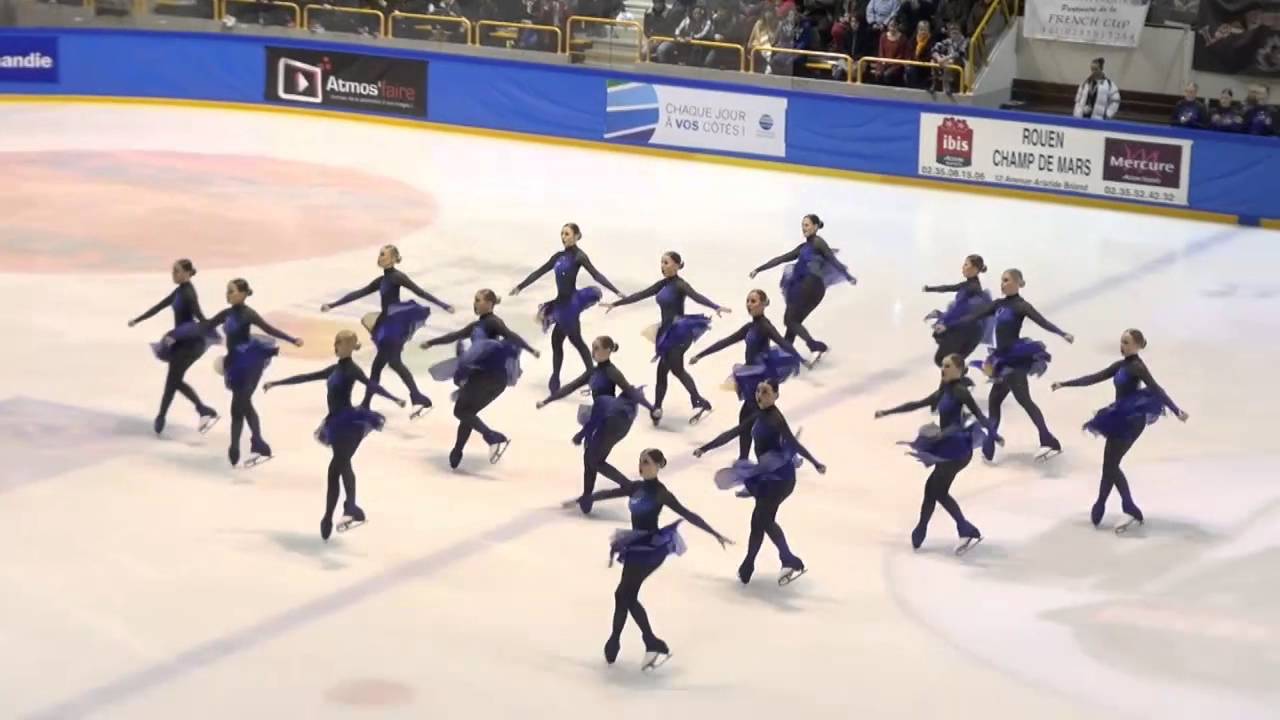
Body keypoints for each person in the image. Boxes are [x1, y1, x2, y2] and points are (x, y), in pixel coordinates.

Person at [568, 448, 732, 670]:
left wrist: (714, 532)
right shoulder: (635, 487)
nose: (642, 465)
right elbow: (609, 493)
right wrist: (585, 498)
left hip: (651, 548)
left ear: (657, 466)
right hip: (636, 545)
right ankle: (640, 641)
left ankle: (643, 641)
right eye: (640, 461)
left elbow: (687, 513)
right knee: (624, 594)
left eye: (646, 462)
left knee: (624, 594)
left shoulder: (660, 493)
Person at [264, 330, 406, 541]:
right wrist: (277, 383)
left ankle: (341, 512)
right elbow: (306, 377)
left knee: (339, 466)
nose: (335, 345)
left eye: (339, 342)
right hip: (335, 423)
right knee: (339, 468)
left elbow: (372, 385)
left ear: (349, 346)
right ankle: (344, 512)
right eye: (335, 341)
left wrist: (394, 398)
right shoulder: (335, 369)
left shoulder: (352, 370)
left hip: (349, 424)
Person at [1052, 329, 1189, 533]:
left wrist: (1176, 410)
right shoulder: (1121, 365)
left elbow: (1157, 389)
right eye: (1121, 342)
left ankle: (1128, 507)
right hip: (1119, 416)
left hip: (1132, 419)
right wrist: (1065, 384)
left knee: (1111, 465)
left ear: (1137, 345)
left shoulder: (1137, 367)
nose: (1122, 346)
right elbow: (1094, 377)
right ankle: (1103, 504)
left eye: (1126, 342)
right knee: (1109, 464)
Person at [694, 379, 825, 585]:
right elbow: (733, 433)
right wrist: (706, 447)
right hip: (768, 476)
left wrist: (815, 462)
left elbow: (793, 443)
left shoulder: (775, 419)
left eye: (765, 392)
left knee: (763, 520)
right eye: (758, 391)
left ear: (776, 395)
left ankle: (788, 559)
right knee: (758, 522)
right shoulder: (760, 414)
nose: (759, 396)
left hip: (780, 478)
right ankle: (750, 565)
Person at [938, 269, 1073, 462]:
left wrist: (1062, 333)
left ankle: (1047, 440)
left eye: (1007, 280)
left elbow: (1042, 321)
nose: (1003, 284)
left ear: (1018, 283)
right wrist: (949, 325)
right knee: (996, 401)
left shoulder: (1021, 306)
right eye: (1002, 280)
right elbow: (974, 316)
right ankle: (990, 445)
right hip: (1002, 360)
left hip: (1015, 360)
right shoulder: (999, 305)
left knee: (1023, 401)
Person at [874, 354, 1000, 553]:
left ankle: (963, 529)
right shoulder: (944, 391)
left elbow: (977, 416)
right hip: (946, 447)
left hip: (957, 449)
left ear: (958, 369)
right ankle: (943, 528)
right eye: (942, 365)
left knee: (937, 490)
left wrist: (994, 435)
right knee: (932, 488)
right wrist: (887, 412)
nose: (943, 369)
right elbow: (915, 404)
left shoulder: (960, 391)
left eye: (947, 366)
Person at [321, 245, 454, 417]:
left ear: (393, 259)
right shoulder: (381, 280)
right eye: (380, 254)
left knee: (391, 364)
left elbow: (419, 291)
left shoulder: (397, 277)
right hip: (385, 325)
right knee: (383, 365)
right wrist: (333, 305)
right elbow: (358, 293)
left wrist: (444, 305)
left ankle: (415, 398)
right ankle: (409, 399)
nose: (380, 257)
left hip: (394, 327)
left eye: (384, 255)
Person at [603, 251, 728, 426]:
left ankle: (697, 399)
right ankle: (659, 407)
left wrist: (715, 306)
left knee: (676, 369)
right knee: (662, 371)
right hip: (666, 333)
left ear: (677, 265)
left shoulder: (680, 285)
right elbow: (641, 294)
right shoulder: (662, 284)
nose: (663, 266)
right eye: (662, 262)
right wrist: (616, 304)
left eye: (667, 262)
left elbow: (696, 296)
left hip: (679, 332)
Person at [421, 289, 540, 469]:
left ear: (490, 303)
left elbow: (511, 336)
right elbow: (454, 336)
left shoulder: (493, 322)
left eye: (478, 300)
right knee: (467, 412)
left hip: (489, 376)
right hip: (489, 377)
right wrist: (432, 343)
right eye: (474, 300)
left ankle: (491, 437)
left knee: (461, 411)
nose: (475, 303)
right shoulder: (477, 326)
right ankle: (458, 450)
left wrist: (530, 349)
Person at [537, 336, 654, 513]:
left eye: (596, 348)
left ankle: (629, 486)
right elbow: (570, 386)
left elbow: (630, 391)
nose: (593, 352)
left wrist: (651, 407)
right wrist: (547, 400)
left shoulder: (612, 372)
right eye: (592, 348)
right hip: (602, 418)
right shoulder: (592, 372)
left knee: (595, 460)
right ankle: (587, 497)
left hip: (612, 420)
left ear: (607, 351)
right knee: (589, 458)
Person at [690, 289, 807, 460]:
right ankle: (746, 459)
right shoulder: (750, 327)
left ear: (763, 304)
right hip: (751, 379)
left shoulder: (765, 326)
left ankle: (750, 459)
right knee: (746, 420)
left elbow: (782, 342)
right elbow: (726, 341)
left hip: (760, 380)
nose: (749, 305)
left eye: (753, 301)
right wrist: (701, 354)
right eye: (748, 301)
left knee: (747, 421)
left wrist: (800, 358)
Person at [201, 279, 304, 468]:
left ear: (242, 294)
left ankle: (236, 447)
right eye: (227, 291)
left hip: (249, 362)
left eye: (231, 291)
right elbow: (207, 324)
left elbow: (269, 329)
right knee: (244, 404)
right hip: (234, 362)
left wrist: (292, 339)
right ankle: (258, 444)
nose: (228, 294)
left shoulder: (248, 314)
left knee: (238, 406)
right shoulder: (226, 313)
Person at [510, 223, 622, 394]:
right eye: (562, 234)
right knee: (557, 341)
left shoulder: (579, 256)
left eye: (568, 234)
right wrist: (520, 286)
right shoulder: (558, 256)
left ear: (576, 236)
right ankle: (557, 379)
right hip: (559, 304)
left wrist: (615, 290)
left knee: (575, 341)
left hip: (571, 305)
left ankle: (590, 379)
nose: (564, 237)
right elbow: (540, 271)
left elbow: (596, 275)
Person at [128, 258, 220, 436]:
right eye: (173, 271)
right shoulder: (179, 291)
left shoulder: (188, 294)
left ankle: (165, 415)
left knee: (173, 380)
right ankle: (201, 410)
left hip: (190, 343)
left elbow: (199, 317)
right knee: (174, 380)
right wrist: (138, 319)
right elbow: (159, 307)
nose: (174, 274)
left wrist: (212, 332)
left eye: (177, 271)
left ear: (187, 273)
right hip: (181, 342)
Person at [748, 214, 855, 363]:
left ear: (816, 226)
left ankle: (813, 347)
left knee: (790, 320)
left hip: (809, 285)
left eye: (807, 225)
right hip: (815, 289)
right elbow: (781, 258)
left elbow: (832, 259)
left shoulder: (818, 242)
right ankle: (791, 352)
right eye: (803, 225)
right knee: (793, 321)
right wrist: (759, 269)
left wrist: (847, 276)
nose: (804, 228)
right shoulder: (803, 247)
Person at [923, 254, 993, 367]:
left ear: (975, 269)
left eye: (966, 264)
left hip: (969, 331)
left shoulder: (973, 288)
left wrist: (946, 324)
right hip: (963, 327)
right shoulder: (968, 284)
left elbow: (965, 313)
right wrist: (929, 289)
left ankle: (958, 377)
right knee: (944, 360)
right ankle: (956, 376)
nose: (963, 267)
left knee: (945, 361)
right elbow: (947, 288)